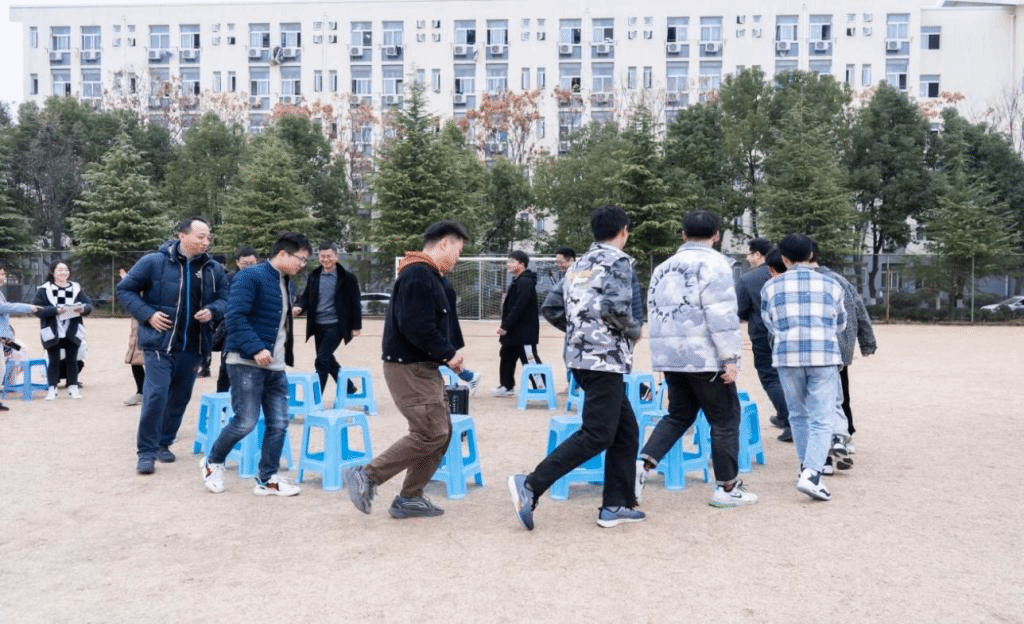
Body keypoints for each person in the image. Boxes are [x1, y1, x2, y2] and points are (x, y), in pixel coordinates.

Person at [508, 205, 644, 530]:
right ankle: (531, 484)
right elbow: (615, 309)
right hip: (604, 360)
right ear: (623, 231)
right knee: (598, 434)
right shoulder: (618, 262)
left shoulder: (579, 263)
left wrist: (580, 333)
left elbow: (552, 307)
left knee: (626, 431)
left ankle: (615, 504)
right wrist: (634, 331)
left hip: (580, 358)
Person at [343, 220, 470, 519]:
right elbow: (416, 326)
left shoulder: (432, 276)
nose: (458, 258)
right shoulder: (417, 275)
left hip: (424, 368)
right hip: (409, 369)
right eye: (458, 251)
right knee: (431, 433)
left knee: (441, 433)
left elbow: (438, 323)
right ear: (444, 244)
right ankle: (367, 475)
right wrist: (448, 353)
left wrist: (450, 355)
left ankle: (410, 497)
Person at [635, 210, 758, 508]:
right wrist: (730, 357)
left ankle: (641, 465)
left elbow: (656, 312)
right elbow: (721, 315)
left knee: (679, 415)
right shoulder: (716, 264)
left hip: (670, 355)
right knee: (725, 418)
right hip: (704, 356)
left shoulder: (663, 267)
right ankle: (727, 487)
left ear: (683, 234)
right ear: (716, 235)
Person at [200, 233, 312, 496]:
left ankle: (267, 478)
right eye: (300, 259)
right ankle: (212, 461)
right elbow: (234, 316)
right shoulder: (251, 276)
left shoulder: (286, 282)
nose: (302, 264)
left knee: (279, 423)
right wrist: (256, 348)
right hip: (245, 361)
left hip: (275, 365)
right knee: (245, 422)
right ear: (282, 254)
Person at [117, 217, 228, 475]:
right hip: (160, 344)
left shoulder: (212, 268)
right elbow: (125, 290)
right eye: (200, 236)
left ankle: (163, 443)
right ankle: (146, 453)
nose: (206, 242)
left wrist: (213, 310)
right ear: (182, 235)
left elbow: (226, 299)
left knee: (180, 397)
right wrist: (148, 315)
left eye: (208, 237)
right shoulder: (153, 262)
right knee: (156, 395)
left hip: (194, 344)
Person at [761, 234, 845, 501]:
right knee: (822, 417)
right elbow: (840, 322)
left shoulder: (771, 287)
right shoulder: (832, 284)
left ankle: (805, 468)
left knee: (798, 415)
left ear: (784, 259)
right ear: (811, 255)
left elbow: (769, 323)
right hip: (823, 355)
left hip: (788, 356)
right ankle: (812, 473)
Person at [809, 243, 876, 464]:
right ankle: (844, 437)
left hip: (823, 348)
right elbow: (860, 309)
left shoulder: (816, 281)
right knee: (840, 394)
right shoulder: (839, 279)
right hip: (840, 347)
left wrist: (867, 342)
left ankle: (835, 440)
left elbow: (858, 309)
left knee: (823, 397)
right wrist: (867, 342)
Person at [736, 237, 792, 442]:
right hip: (791, 332)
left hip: (762, 333)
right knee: (791, 376)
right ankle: (786, 415)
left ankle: (789, 419)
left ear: (758, 255)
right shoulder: (789, 271)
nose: (747, 258)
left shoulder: (747, 279)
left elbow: (740, 311)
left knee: (770, 377)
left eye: (749, 254)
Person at [292, 243, 362, 400]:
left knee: (321, 360)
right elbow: (306, 297)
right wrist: (300, 307)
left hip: (336, 325)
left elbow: (355, 302)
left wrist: (356, 326)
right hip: (318, 325)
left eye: (329, 256)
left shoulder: (347, 278)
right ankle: (348, 387)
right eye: (322, 256)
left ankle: (316, 398)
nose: (326, 259)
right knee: (328, 359)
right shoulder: (314, 275)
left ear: (336, 256)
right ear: (319, 257)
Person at [33, 260, 92, 400]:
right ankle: (52, 389)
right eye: (60, 270)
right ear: (52, 272)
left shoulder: (76, 288)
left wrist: (83, 309)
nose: (63, 272)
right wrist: (55, 310)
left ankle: (73, 387)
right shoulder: (44, 289)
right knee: (53, 361)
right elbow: (37, 309)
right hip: (53, 330)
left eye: (66, 270)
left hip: (72, 329)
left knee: (72, 360)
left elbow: (89, 305)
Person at [493, 250, 541, 397]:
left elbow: (519, 307)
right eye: (508, 261)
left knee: (529, 358)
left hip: (524, 331)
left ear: (522, 264)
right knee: (507, 355)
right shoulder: (518, 280)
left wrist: (505, 325)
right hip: (514, 331)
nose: (509, 264)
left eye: (512, 261)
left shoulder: (525, 282)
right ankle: (506, 386)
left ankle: (541, 387)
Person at [213, 246, 260, 392]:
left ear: (257, 262)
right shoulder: (229, 278)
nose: (248, 267)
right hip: (232, 329)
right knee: (226, 367)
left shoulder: (264, 279)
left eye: (251, 263)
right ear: (237, 262)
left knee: (253, 367)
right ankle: (222, 400)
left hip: (255, 329)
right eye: (244, 263)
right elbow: (222, 300)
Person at [0, 267, 39, 411]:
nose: (2, 277)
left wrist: (9, 337)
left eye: (3, 274)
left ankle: (9, 383)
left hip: (4, 340)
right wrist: (28, 307)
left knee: (20, 350)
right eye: (0, 274)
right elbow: (4, 308)